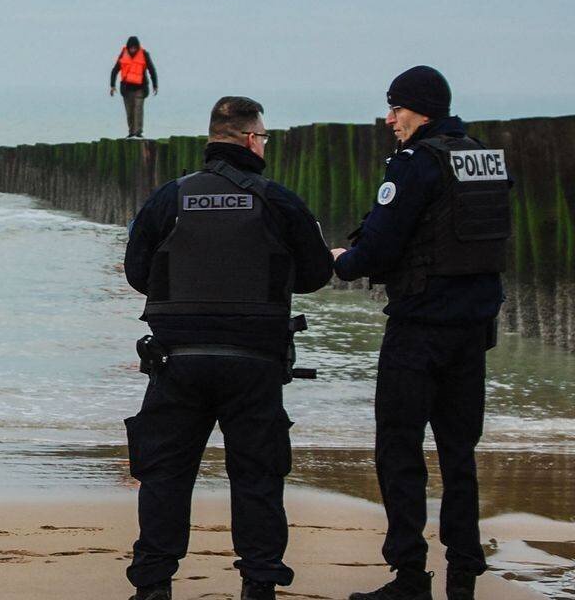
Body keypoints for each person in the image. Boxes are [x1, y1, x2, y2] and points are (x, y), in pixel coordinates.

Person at [123, 97, 333, 600]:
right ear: (248, 139)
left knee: (165, 477)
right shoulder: (278, 200)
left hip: (178, 364)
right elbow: (316, 273)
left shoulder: (169, 198)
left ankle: (153, 586)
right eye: (263, 136)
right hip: (255, 365)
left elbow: (137, 273)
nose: (264, 143)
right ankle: (259, 585)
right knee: (258, 479)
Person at [333, 67, 510, 600]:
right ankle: (463, 573)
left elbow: (382, 248)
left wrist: (342, 262)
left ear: (422, 109)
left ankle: (410, 575)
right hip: (474, 330)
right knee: (460, 454)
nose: (390, 120)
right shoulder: (483, 158)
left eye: (396, 109)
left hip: (420, 330)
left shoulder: (415, 164)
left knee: (399, 449)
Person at [110, 35, 158, 138]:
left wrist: (155, 85)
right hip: (127, 89)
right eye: (131, 48)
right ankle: (131, 132)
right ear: (128, 47)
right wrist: (112, 85)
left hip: (140, 88)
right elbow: (115, 70)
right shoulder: (123, 55)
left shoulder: (144, 54)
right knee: (130, 112)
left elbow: (151, 70)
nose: (132, 50)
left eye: (134, 48)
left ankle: (138, 132)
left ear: (137, 47)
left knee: (138, 109)